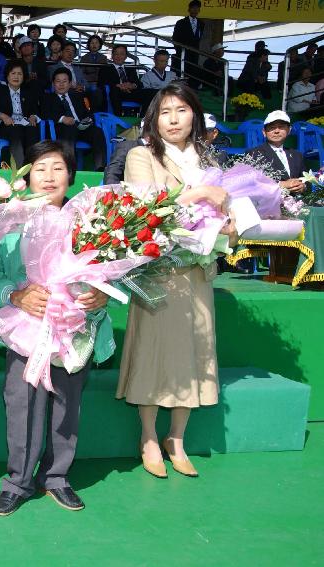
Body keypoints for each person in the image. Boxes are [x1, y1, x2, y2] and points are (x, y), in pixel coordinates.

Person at [0, 140, 111, 515]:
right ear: (26, 177)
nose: (49, 176)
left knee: (68, 404)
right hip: (26, 328)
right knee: (22, 403)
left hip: (74, 328)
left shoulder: (92, 222)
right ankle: (18, 481)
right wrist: (14, 296)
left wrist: (101, 296)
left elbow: (116, 270)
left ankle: (57, 477)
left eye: (57, 168)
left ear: (70, 175)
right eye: (40, 168)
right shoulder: (8, 221)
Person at [120, 82, 235, 479]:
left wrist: (231, 226)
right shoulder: (141, 155)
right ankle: (150, 438)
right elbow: (146, 207)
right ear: (154, 118)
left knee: (194, 353)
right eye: (165, 111)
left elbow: (226, 214)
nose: (173, 119)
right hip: (159, 274)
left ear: (195, 117)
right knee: (154, 353)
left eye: (181, 110)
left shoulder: (210, 161)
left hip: (199, 273)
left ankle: (177, 439)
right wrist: (201, 193)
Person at [42, 67, 106, 171]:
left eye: (64, 81)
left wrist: (88, 119)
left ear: (70, 83)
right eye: (58, 81)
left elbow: (87, 112)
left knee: (97, 131)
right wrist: (62, 119)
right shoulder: (48, 98)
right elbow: (45, 113)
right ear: (53, 83)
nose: (61, 84)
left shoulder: (77, 96)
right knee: (69, 129)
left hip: (81, 127)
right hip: (63, 129)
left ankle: (100, 167)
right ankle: (69, 169)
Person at [0, 59, 42, 167]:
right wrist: (2, 116)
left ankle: (32, 166)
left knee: (33, 130)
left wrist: (33, 117)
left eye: (19, 74)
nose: (16, 77)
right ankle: (20, 168)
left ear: (24, 76)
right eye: (13, 73)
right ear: (7, 76)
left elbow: (34, 110)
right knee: (16, 131)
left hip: (25, 125)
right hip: (7, 126)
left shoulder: (28, 92)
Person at [246, 110, 305, 191]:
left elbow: (306, 179)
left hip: (296, 201)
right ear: (264, 132)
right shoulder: (254, 153)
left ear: (289, 130)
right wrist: (281, 184)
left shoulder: (297, 155)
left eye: (281, 127)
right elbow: (250, 183)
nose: (276, 131)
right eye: (272, 128)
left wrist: (303, 186)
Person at [97, 45, 143, 115]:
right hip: (117, 92)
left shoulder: (131, 69)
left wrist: (133, 85)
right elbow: (101, 83)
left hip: (131, 92)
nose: (119, 56)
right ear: (112, 56)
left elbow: (139, 83)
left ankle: (145, 119)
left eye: (122, 54)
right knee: (114, 91)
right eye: (116, 54)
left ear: (126, 56)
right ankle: (117, 118)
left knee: (148, 93)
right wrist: (119, 86)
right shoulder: (106, 69)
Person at [171, 0, 204, 86]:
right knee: (182, 73)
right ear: (189, 9)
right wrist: (180, 50)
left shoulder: (201, 23)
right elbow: (175, 38)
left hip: (195, 54)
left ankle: (192, 88)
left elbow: (198, 38)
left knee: (193, 74)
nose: (195, 10)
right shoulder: (181, 22)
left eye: (197, 8)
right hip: (182, 53)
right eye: (193, 8)